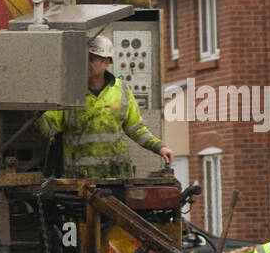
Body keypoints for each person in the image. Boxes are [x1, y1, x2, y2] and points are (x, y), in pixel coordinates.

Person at [39, 35, 174, 178]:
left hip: (117, 177)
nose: (86, 63)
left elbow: (136, 129)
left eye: (92, 59)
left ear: (106, 62)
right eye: (84, 58)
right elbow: (49, 127)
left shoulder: (120, 89)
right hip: (80, 181)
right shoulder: (70, 92)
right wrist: (32, 115)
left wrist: (159, 147)